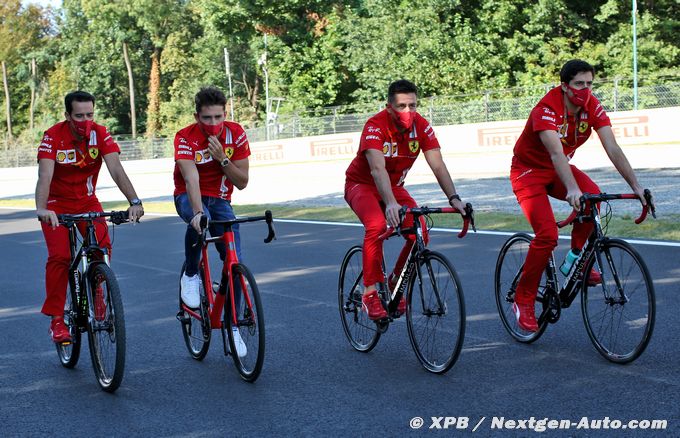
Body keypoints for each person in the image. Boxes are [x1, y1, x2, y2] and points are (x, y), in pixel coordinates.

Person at [510, 59, 647, 332]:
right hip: (529, 172)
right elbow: (556, 153)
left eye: (589, 83)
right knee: (547, 235)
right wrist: (572, 189)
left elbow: (613, 147)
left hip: (560, 169)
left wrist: (636, 186)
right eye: (578, 84)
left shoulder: (592, 105)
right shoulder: (546, 109)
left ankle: (575, 259)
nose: (585, 89)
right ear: (564, 86)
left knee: (593, 197)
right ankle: (522, 299)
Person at [344, 79, 467, 320]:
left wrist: (454, 198)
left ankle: (394, 282)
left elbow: (438, 165)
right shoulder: (374, 125)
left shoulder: (421, 126)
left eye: (413, 105)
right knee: (377, 226)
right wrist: (390, 203)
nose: (408, 112)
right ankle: (369, 293)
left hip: (394, 187)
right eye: (402, 106)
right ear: (389, 107)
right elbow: (377, 170)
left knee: (419, 230)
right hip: (362, 185)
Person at [36, 90, 144, 343]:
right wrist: (42, 209)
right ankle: (57, 320)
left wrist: (135, 201)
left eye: (89, 114)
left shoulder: (100, 133)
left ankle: (98, 291)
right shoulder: (53, 136)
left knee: (102, 247)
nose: (85, 120)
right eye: (79, 115)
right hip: (56, 205)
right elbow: (45, 176)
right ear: (67, 115)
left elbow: (116, 169)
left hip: (87, 201)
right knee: (60, 256)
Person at [173, 86, 250, 356]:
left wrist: (222, 159)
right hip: (188, 195)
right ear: (197, 117)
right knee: (200, 220)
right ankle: (191, 274)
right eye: (207, 118)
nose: (213, 124)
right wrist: (196, 213)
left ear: (225, 113)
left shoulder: (236, 133)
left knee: (235, 264)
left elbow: (242, 182)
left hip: (221, 200)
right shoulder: (185, 137)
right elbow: (190, 178)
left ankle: (233, 326)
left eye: (218, 117)